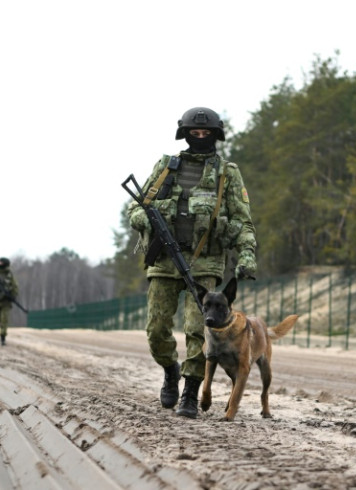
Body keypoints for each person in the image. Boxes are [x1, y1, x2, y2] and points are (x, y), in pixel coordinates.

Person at [128, 107, 257, 419]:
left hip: (205, 263)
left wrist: (247, 256)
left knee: (199, 330)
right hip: (163, 260)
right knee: (157, 329)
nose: (200, 138)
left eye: (206, 134)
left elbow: (242, 222)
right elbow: (135, 209)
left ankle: (190, 390)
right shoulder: (166, 167)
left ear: (215, 135)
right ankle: (171, 371)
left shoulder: (227, 173)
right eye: (195, 133)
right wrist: (148, 218)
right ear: (185, 134)